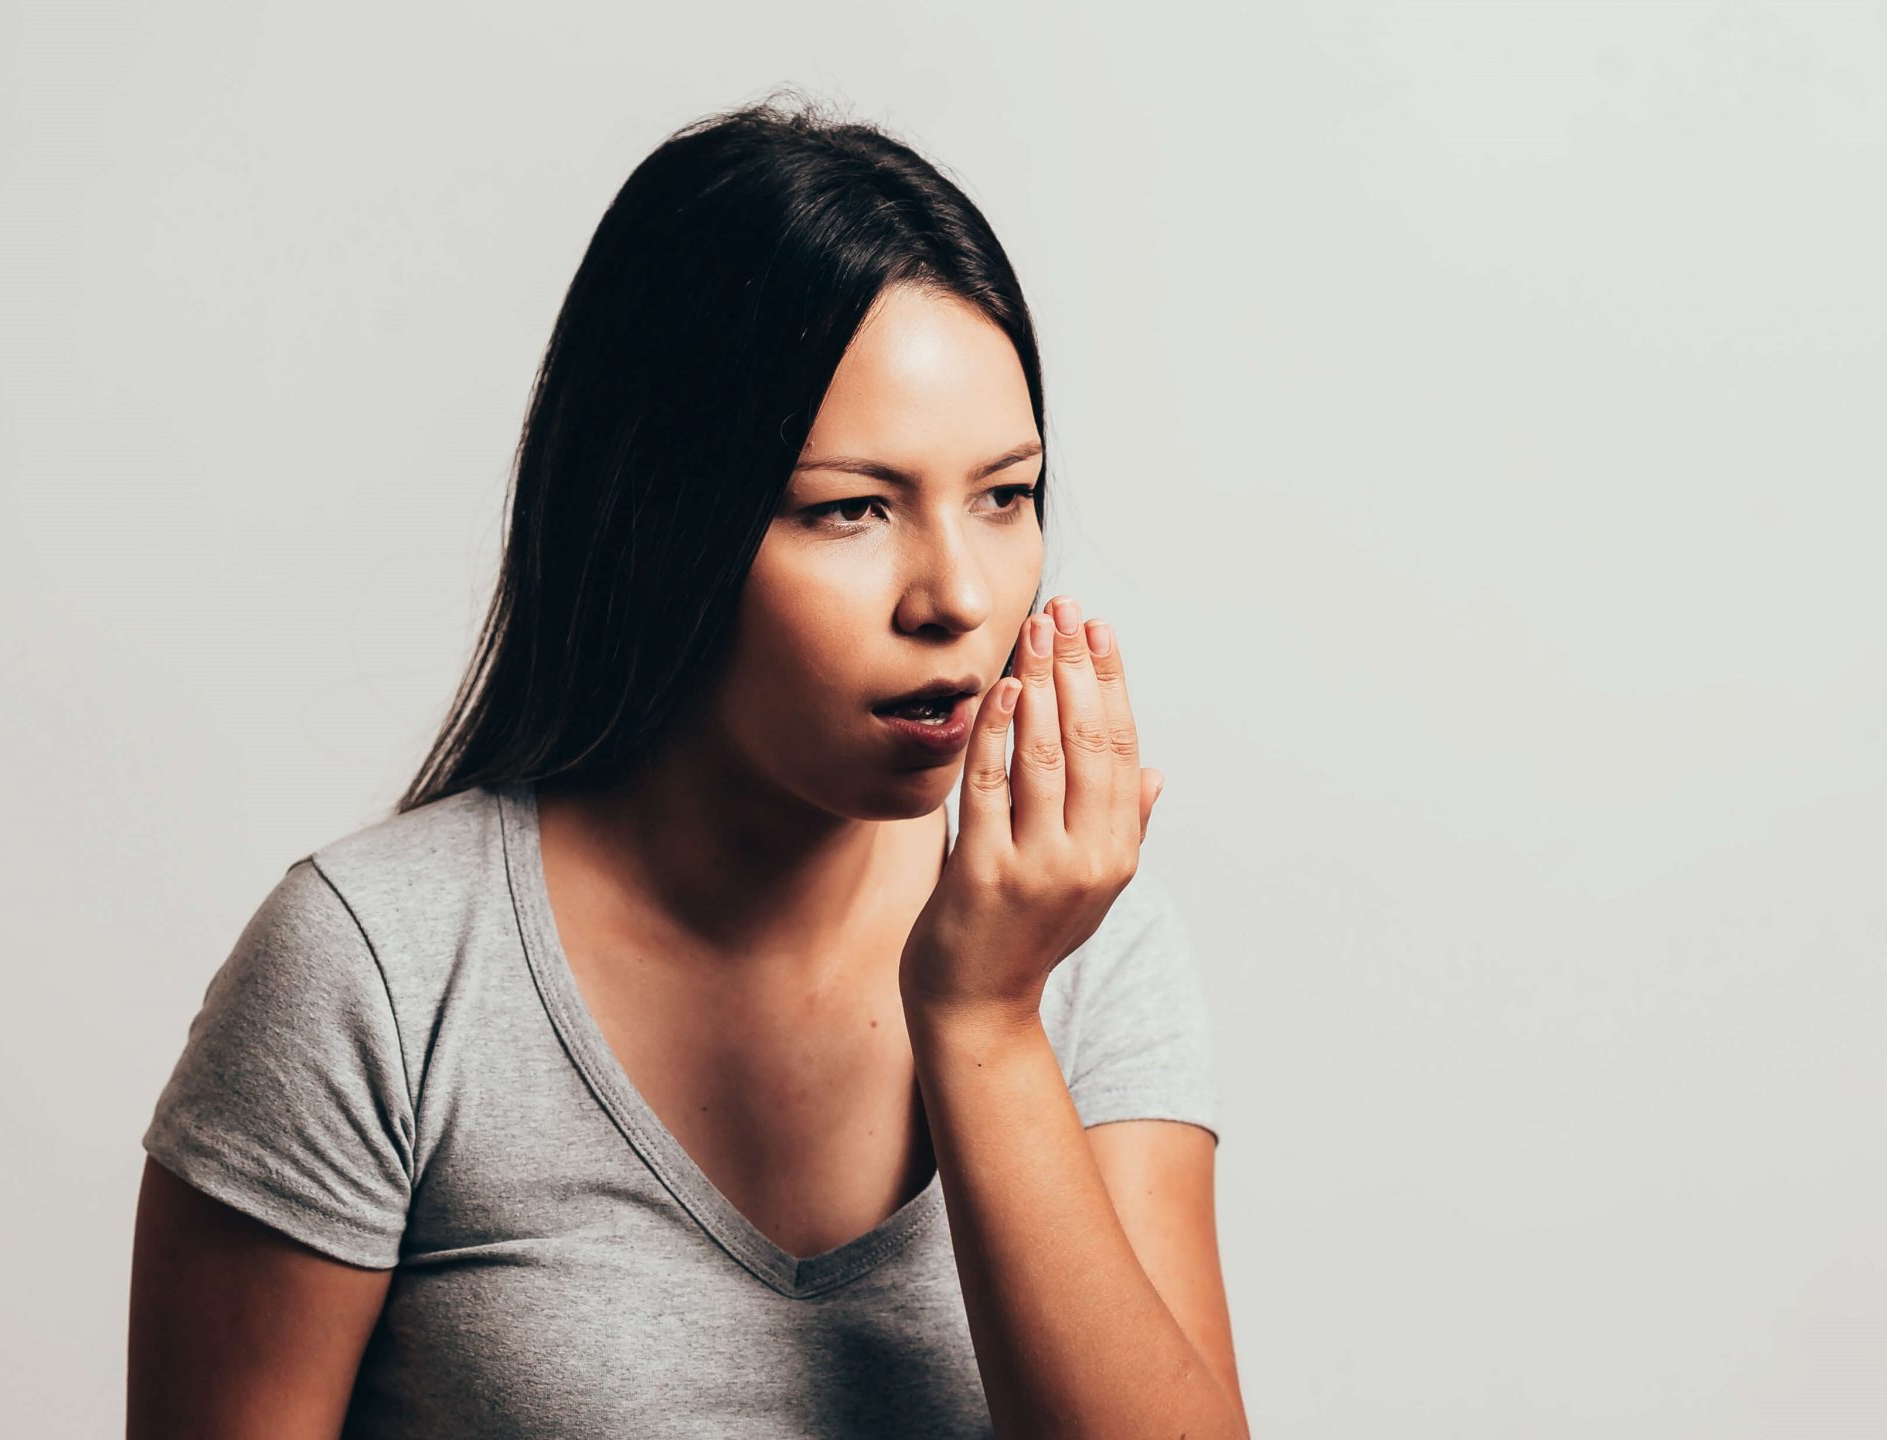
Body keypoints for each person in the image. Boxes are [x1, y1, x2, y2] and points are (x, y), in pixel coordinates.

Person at [127, 91, 1247, 1440]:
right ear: (663, 525)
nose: (958, 595)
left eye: (1005, 495)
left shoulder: (1084, 951)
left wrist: (986, 1021)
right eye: (851, 509)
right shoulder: (378, 971)